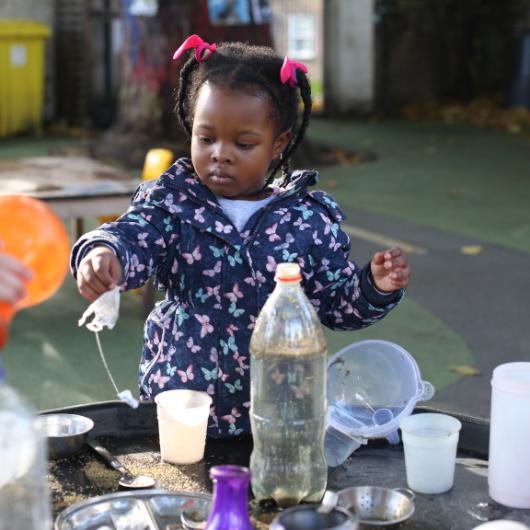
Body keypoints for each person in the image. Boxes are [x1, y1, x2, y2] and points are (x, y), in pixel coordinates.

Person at [71, 35, 411, 437]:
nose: (221, 153)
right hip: (183, 408)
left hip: (281, 415)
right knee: (183, 496)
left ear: (278, 145)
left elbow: (334, 305)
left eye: (243, 143)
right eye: (206, 138)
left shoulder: (305, 220)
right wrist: (103, 252)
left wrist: (372, 286)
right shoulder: (171, 203)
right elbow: (132, 236)